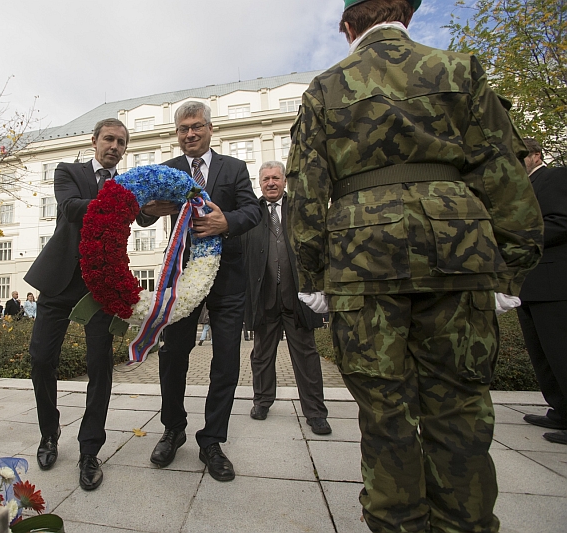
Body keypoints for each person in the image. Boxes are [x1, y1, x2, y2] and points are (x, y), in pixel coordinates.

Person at [285, 1, 544, 531]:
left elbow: (307, 188)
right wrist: (511, 264)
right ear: (404, 13)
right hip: (459, 254)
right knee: (461, 410)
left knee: (384, 413)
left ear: (347, 26)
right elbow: (503, 171)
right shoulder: (460, 69)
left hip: (363, 262)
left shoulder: (326, 88)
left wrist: (312, 275)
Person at [24, 118, 150, 491]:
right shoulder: (68, 171)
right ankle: (50, 433)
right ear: (94, 141)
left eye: (122, 142)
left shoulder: (129, 184)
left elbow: (144, 216)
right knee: (41, 358)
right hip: (60, 281)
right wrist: (120, 200)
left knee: (100, 367)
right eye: (109, 139)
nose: (115, 146)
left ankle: (89, 449)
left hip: (102, 285)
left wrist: (161, 201)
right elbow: (72, 208)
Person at [138, 101, 260, 482]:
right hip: (181, 277)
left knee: (225, 359)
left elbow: (253, 210)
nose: (189, 134)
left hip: (228, 279)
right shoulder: (169, 171)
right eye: (182, 129)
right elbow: (141, 212)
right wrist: (150, 210)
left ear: (210, 128)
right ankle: (173, 428)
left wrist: (229, 221)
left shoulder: (234, 168)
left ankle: (212, 441)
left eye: (196, 127)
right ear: (177, 134)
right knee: (173, 354)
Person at [243, 162, 329, 431]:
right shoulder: (250, 213)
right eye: (266, 178)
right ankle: (262, 401)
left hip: (298, 297)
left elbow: (319, 246)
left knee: (306, 355)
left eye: (276, 178)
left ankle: (315, 413)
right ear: (260, 182)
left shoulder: (300, 210)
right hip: (263, 296)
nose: (271, 183)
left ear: (284, 182)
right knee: (261, 355)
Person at [517, 137, 567, 446]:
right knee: (542, 353)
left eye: (520, 155)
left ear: (536, 155)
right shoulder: (520, 189)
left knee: (561, 352)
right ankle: (560, 409)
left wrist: (518, 240)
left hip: (555, 282)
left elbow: (561, 222)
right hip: (529, 285)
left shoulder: (556, 177)